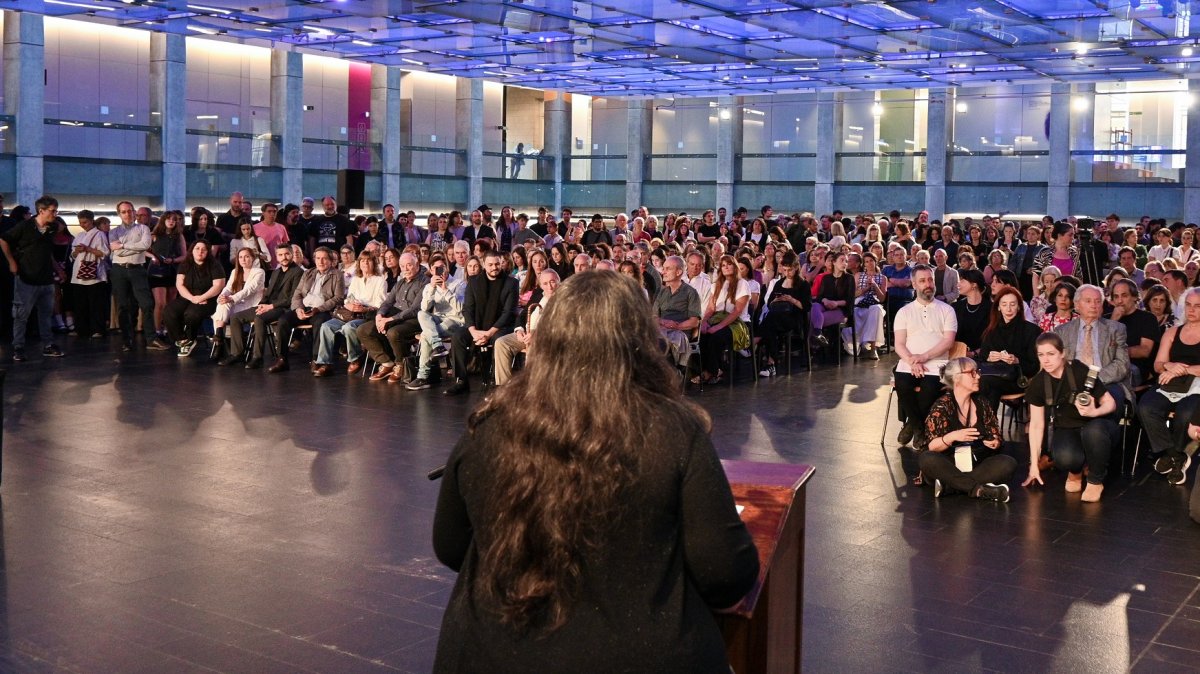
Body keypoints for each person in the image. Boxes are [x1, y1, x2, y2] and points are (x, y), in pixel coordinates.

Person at [432, 270, 758, 673]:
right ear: (640, 340)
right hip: (637, 653)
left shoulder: (489, 426)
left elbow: (450, 546)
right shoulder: (674, 431)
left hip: (493, 651)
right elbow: (726, 573)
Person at [1023, 332, 1118, 502]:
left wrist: (1093, 412)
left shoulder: (1079, 370)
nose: (1046, 360)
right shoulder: (1038, 383)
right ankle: (1076, 471)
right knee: (1064, 458)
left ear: (1062, 353)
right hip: (1067, 427)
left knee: (1093, 432)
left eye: (1051, 354)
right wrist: (1034, 465)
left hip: (1096, 425)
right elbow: (1036, 425)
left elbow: (1110, 403)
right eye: (1041, 355)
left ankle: (1095, 480)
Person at [915, 357, 1014, 501]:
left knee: (1008, 463)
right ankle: (978, 490)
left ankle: (950, 486)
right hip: (949, 464)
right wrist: (953, 436)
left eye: (977, 372)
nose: (978, 376)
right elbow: (932, 446)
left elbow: (995, 433)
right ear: (957, 378)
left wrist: (995, 441)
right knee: (927, 459)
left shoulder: (982, 402)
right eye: (972, 373)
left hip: (976, 462)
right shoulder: (942, 406)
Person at [1138, 288, 1200, 486]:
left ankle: (1171, 456)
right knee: (1146, 407)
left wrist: (1183, 369)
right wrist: (1169, 365)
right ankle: (1176, 455)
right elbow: (1158, 364)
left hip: (1197, 386)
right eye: (1188, 305)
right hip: (1170, 382)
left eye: (1197, 306)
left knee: (1186, 412)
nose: (1191, 310)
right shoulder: (1172, 332)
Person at [893, 264, 958, 446]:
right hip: (909, 362)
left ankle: (911, 426)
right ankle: (919, 429)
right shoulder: (904, 312)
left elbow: (948, 341)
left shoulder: (947, 310)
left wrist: (924, 357)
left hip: (937, 363)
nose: (928, 284)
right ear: (914, 284)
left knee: (930, 388)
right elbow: (899, 344)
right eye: (922, 281)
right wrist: (912, 361)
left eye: (930, 280)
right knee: (903, 384)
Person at [443, 250, 518, 396]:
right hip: (477, 326)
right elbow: (468, 309)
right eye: (490, 265)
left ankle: (495, 382)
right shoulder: (474, 281)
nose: (494, 267)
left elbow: (508, 312)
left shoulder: (511, 283)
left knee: (499, 341)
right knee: (458, 337)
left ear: (502, 263)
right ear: (484, 264)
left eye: (497, 264)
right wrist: (473, 331)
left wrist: (489, 333)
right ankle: (461, 380)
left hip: (500, 327)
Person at [0, 196, 65, 361]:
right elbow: (4, 240)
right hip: (26, 277)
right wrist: (11, 262)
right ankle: (18, 346)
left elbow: (47, 251)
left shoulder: (52, 227)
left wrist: (57, 269)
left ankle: (48, 344)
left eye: (56, 211)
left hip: (46, 278)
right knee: (21, 315)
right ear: (41, 211)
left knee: (45, 314)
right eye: (52, 211)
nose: (55, 214)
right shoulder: (25, 226)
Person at [1053, 284, 1132, 413]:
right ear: (1077, 305)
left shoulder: (1116, 329)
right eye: (1088, 301)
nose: (1094, 305)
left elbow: (1122, 364)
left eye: (1098, 301)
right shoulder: (1062, 331)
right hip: (1072, 384)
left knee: (1108, 408)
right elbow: (1058, 364)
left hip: (1106, 382)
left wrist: (1092, 379)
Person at [224, 244, 303, 368]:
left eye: (287, 254)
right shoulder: (276, 272)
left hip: (284, 308)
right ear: (276, 257)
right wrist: (261, 305)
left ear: (292, 254)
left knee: (259, 318)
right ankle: (237, 353)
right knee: (235, 317)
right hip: (267, 305)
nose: (284, 257)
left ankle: (257, 357)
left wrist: (271, 306)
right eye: (280, 255)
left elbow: (293, 298)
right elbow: (268, 293)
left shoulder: (298, 272)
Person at [270, 246, 345, 373]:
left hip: (322, 310)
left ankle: (316, 359)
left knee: (319, 323)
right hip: (304, 308)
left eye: (324, 258)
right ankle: (282, 359)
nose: (321, 261)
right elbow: (297, 294)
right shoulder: (308, 273)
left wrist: (318, 309)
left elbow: (338, 298)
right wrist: (298, 309)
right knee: (283, 321)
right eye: (318, 258)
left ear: (331, 260)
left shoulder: (337, 274)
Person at [314, 252, 387, 377]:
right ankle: (325, 363)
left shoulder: (380, 281)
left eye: (368, 260)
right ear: (359, 263)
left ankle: (355, 358)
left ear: (374, 263)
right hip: (350, 313)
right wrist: (349, 305)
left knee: (349, 327)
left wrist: (364, 309)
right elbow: (348, 299)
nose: (365, 263)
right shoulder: (356, 279)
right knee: (326, 326)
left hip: (367, 315)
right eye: (362, 260)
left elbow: (380, 305)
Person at [357, 252, 428, 383]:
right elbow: (387, 302)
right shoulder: (400, 282)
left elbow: (415, 309)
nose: (406, 269)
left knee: (393, 333)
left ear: (417, 264)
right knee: (363, 330)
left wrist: (390, 319)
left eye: (409, 265)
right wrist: (379, 315)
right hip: (394, 316)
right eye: (403, 266)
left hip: (415, 319)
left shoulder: (425, 282)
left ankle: (401, 364)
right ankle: (387, 363)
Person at [406, 258, 466, 390]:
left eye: (442, 267)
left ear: (447, 268)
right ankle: (438, 346)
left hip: (455, 320)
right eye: (436, 268)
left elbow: (460, 309)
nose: (440, 271)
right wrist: (432, 288)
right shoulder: (429, 286)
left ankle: (423, 377)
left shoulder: (459, 284)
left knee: (426, 335)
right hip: (438, 319)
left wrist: (445, 291)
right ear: (431, 270)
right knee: (421, 314)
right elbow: (424, 308)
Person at [977, 285, 1040, 410]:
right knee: (988, 387)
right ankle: (988, 421)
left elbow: (1035, 366)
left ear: (1019, 307)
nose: (1009, 309)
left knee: (985, 383)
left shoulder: (1031, 330)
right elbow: (981, 360)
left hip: (1019, 379)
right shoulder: (991, 331)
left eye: (1012, 304)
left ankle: (983, 421)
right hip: (993, 377)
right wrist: (989, 358)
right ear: (998, 307)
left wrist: (1017, 361)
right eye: (1004, 304)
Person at [493, 269, 559, 386]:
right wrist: (519, 330)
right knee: (501, 343)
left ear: (559, 281)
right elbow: (523, 315)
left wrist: (537, 334)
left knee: (534, 346)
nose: (549, 286)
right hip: (527, 333)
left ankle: (533, 387)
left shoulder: (564, 298)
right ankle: (504, 387)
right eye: (545, 283)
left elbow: (562, 324)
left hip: (547, 336)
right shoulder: (538, 294)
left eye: (552, 282)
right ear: (540, 285)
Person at [108, 201, 157, 352]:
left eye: (130, 211)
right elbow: (116, 251)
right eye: (124, 212)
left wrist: (123, 246)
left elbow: (145, 246)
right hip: (119, 270)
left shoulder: (143, 228)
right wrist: (136, 248)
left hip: (137, 269)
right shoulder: (114, 232)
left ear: (134, 212)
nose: (127, 214)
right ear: (119, 214)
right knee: (123, 306)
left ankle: (151, 339)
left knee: (147, 304)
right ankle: (127, 340)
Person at [163, 240, 225, 358]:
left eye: (203, 249)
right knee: (169, 311)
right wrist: (192, 298)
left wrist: (201, 297)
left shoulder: (215, 264)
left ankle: (191, 338)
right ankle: (183, 340)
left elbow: (218, 286)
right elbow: (179, 284)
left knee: (192, 314)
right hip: (188, 296)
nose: (200, 251)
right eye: (197, 248)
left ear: (208, 252)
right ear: (192, 250)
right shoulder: (185, 264)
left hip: (209, 298)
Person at [696, 254, 750, 385]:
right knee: (701, 335)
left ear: (735, 266)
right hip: (717, 318)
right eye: (723, 265)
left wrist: (717, 327)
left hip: (737, 322)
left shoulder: (742, 284)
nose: (726, 267)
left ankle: (711, 372)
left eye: (729, 264)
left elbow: (737, 311)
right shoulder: (716, 285)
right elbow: (711, 308)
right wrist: (704, 322)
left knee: (716, 336)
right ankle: (709, 370)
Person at [757, 251, 811, 377]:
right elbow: (769, 303)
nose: (787, 273)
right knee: (770, 324)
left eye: (790, 270)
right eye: (785, 270)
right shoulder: (779, 283)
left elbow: (806, 307)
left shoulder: (803, 285)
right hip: (777, 317)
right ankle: (771, 363)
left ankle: (756, 341)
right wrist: (776, 300)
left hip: (794, 318)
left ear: (796, 267)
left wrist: (791, 300)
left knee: (769, 322)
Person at [210, 247, 265, 362]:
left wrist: (230, 298)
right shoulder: (235, 272)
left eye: (246, 256)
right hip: (237, 304)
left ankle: (219, 342)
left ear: (252, 258)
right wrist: (222, 296)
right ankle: (219, 336)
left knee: (222, 309)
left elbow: (249, 290)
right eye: (240, 257)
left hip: (251, 305)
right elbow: (228, 288)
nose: (243, 259)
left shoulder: (259, 272)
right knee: (222, 305)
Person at [67, 209, 110, 340]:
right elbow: (72, 255)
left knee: (96, 304)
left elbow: (104, 253)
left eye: (85, 222)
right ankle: (81, 329)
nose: (82, 225)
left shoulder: (99, 234)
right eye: (80, 222)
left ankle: (98, 329)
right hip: (78, 272)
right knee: (80, 304)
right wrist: (76, 251)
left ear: (91, 221)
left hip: (94, 273)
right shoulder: (79, 235)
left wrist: (88, 249)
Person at [1108, 278, 1159, 385]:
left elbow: (1144, 350)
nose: (1120, 301)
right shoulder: (1107, 319)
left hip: (1135, 367)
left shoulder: (1147, 318)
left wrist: (1113, 352)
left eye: (1124, 296)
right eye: (1116, 297)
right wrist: (1113, 321)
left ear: (1135, 297)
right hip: (1109, 365)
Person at [654, 255, 702, 369]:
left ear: (678, 272)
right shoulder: (662, 292)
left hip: (680, 332)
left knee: (661, 345)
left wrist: (677, 326)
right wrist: (663, 321)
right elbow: (653, 316)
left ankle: (672, 374)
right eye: (663, 268)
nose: (663, 272)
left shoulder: (691, 293)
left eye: (668, 269)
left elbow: (694, 322)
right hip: (661, 329)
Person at [953, 268, 991, 356]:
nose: (958, 284)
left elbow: (993, 338)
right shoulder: (956, 307)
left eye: (962, 281)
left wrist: (974, 353)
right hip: (957, 355)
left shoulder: (991, 308)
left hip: (983, 357)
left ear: (974, 285)